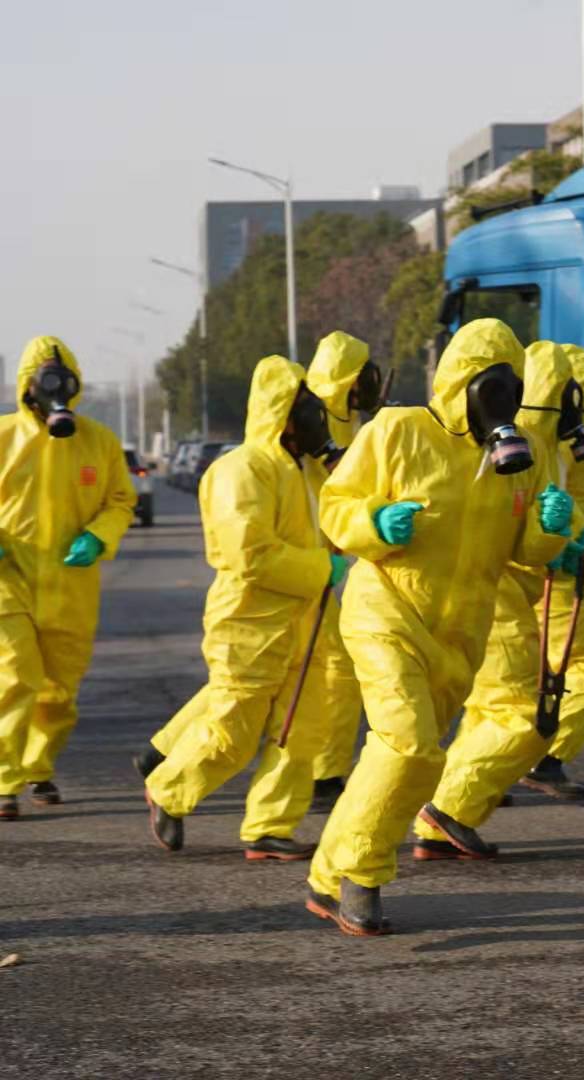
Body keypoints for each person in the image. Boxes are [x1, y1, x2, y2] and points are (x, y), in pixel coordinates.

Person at [305, 319, 572, 936]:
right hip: (387, 610)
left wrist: (551, 524)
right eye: (491, 387)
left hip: (461, 633)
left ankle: (326, 874)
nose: (500, 402)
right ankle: (364, 875)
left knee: (408, 762)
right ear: (463, 382)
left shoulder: (520, 455)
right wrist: (375, 521)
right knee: (408, 743)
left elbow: (526, 551)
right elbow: (337, 507)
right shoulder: (398, 431)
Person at [134, 331, 379, 843]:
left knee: (300, 731)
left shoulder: (306, 470)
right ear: (281, 411)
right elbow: (251, 554)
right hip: (248, 621)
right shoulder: (240, 470)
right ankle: (169, 788)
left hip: (306, 618)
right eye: (305, 408)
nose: (316, 419)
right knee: (234, 730)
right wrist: (321, 569)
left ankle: (270, 827)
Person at [410, 339, 572, 860]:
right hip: (491, 596)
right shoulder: (487, 446)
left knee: (492, 711)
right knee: (525, 714)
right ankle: (446, 807)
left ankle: (444, 819)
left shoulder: (538, 445)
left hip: (509, 592)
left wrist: (559, 533)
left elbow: (534, 535)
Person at [0, 337, 136, 820]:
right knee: (15, 674)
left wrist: (99, 536)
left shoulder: (97, 441)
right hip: (8, 578)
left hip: (71, 585)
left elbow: (121, 499)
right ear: (27, 385)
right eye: (44, 376)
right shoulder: (3, 437)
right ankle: (4, 779)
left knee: (59, 690)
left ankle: (38, 766)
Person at [518, 343, 584, 802]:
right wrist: (571, 542)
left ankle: (498, 767)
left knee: (524, 679)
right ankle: (544, 759)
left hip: (560, 566)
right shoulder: (556, 443)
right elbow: (550, 505)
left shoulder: (563, 440)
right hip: (554, 574)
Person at [301, 330, 380, 810]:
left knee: (337, 672)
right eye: (362, 374)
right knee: (257, 685)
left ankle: (326, 770)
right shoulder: (310, 421)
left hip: (339, 562)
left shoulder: (351, 424)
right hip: (312, 563)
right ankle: (320, 772)